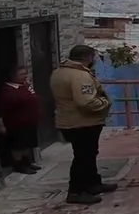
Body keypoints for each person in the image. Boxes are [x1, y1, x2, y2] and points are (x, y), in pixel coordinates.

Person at [49, 45, 116, 205]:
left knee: (88, 154)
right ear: (87, 58)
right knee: (83, 157)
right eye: (93, 57)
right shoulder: (80, 76)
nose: (94, 60)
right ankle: (76, 192)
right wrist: (105, 102)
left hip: (70, 120)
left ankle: (92, 184)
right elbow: (86, 102)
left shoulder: (60, 71)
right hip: (81, 122)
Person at [0, 65, 42, 174]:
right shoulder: (7, 90)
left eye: (25, 73)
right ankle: (19, 165)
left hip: (30, 122)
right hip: (17, 123)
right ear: (13, 76)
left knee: (27, 144)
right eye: (21, 74)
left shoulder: (24, 86)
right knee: (18, 146)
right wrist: (0, 124)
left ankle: (27, 162)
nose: (25, 76)